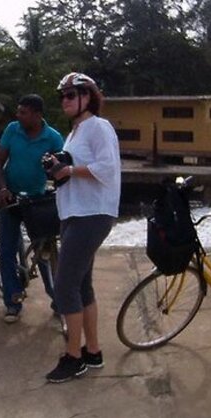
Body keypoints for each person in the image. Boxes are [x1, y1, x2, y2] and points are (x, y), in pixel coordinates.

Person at [44, 72, 121, 383]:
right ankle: (93, 351)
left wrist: (69, 169)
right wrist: (58, 168)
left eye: (71, 95)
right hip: (76, 213)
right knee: (82, 285)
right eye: (62, 95)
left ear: (87, 97)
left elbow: (107, 168)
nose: (65, 100)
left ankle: (73, 357)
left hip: (93, 213)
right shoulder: (74, 132)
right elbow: (70, 170)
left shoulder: (98, 127)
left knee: (64, 286)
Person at [0, 94, 64, 323]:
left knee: (44, 251)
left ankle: (57, 298)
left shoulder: (53, 138)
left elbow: (61, 170)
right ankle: (12, 301)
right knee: (6, 251)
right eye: (19, 111)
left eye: (23, 112)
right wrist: (3, 188)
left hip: (38, 200)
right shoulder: (13, 130)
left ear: (37, 115)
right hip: (11, 199)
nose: (18, 115)